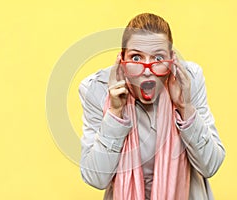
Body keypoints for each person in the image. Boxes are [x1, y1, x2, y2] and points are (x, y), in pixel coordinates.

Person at [78, 13, 225, 200]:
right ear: (121, 60)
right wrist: (115, 114)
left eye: (158, 57)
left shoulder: (188, 81)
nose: (147, 71)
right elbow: (96, 178)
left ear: (172, 60)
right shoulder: (97, 90)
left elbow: (210, 166)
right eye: (136, 58)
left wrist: (185, 107)